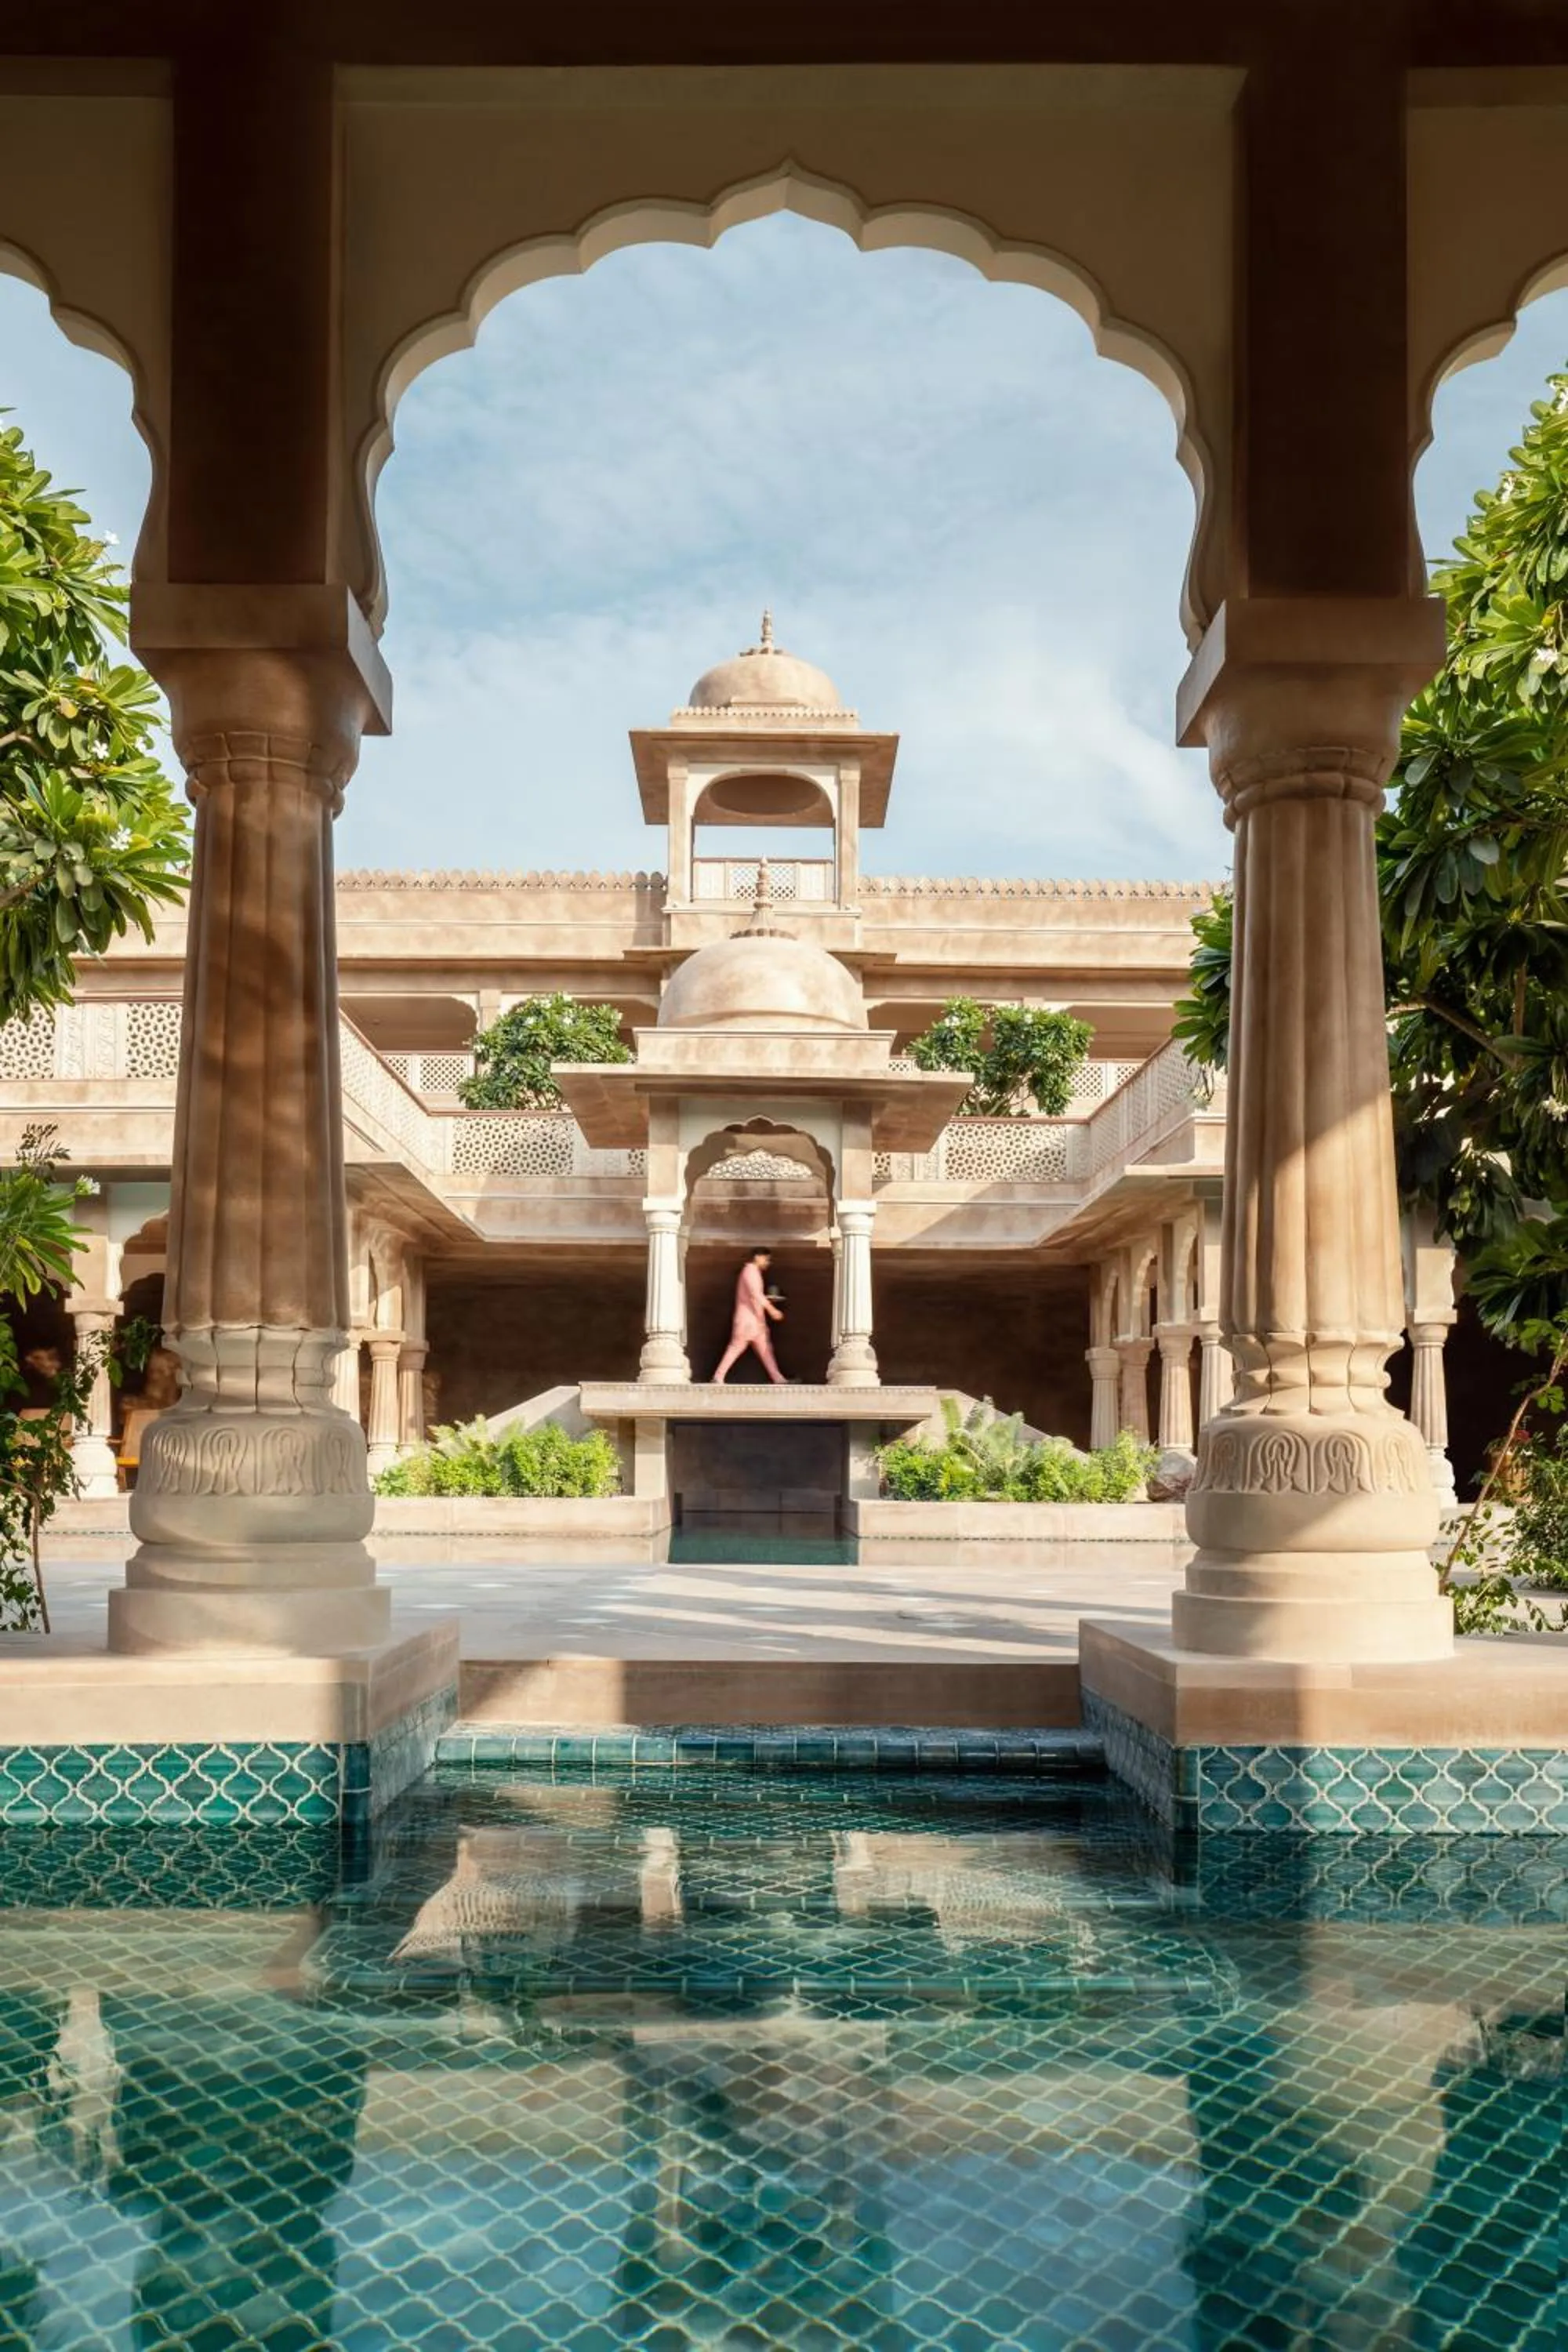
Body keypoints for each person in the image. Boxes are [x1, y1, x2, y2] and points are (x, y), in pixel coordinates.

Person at [712, 1249, 787, 1385]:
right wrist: (772, 1310)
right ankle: (718, 1376)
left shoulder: (753, 1272)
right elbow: (755, 1295)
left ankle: (778, 1378)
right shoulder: (750, 1271)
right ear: (757, 1257)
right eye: (766, 1259)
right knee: (737, 1347)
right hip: (748, 1319)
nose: (767, 1263)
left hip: (754, 1320)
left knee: (765, 1349)